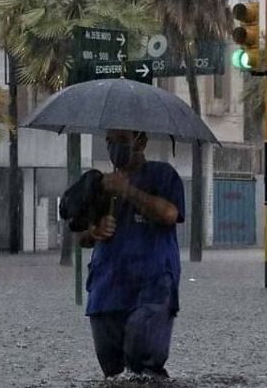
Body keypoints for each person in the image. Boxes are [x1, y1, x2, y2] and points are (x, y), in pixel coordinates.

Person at [80, 129, 185, 379]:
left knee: (144, 362)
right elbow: (81, 235)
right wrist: (94, 231)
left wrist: (129, 191)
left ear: (141, 141)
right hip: (106, 289)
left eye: (121, 141)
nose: (114, 147)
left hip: (153, 286)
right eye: (109, 141)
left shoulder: (163, 175)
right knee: (113, 369)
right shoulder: (99, 184)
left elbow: (169, 215)